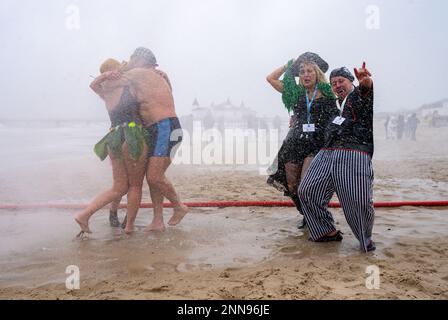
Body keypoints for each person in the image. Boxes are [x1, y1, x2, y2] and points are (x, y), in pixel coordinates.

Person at [298, 63, 376, 253]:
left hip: (354, 152)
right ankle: (326, 231)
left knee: (356, 200)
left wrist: (367, 82)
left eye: (341, 81)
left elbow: (366, 89)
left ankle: (365, 240)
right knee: (307, 191)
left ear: (351, 82)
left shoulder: (358, 96)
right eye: (333, 83)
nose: (337, 85)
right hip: (327, 152)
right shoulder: (336, 105)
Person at [75, 58, 148, 236]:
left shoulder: (106, 93)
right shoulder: (130, 87)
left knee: (118, 188)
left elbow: (93, 85)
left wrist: (105, 76)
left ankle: (84, 215)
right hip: (133, 135)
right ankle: (129, 226)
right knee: (135, 186)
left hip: (114, 137)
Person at [119, 47, 189, 232]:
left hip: (164, 127)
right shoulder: (158, 75)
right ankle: (158, 221)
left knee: (154, 176)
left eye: (131, 58)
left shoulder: (138, 72)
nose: (129, 61)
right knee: (154, 178)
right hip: (163, 128)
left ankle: (178, 206)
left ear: (139, 59)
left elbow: (115, 79)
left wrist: (120, 68)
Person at [266, 52, 338, 229]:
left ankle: (315, 214)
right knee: (293, 186)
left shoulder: (328, 94)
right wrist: (288, 65)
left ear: (317, 74)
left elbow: (335, 118)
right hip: (294, 143)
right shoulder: (295, 92)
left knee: (307, 184)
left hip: (316, 143)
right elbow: (270, 78)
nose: (306, 74)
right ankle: (307, 215)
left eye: (310, 71)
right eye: (302, 71)